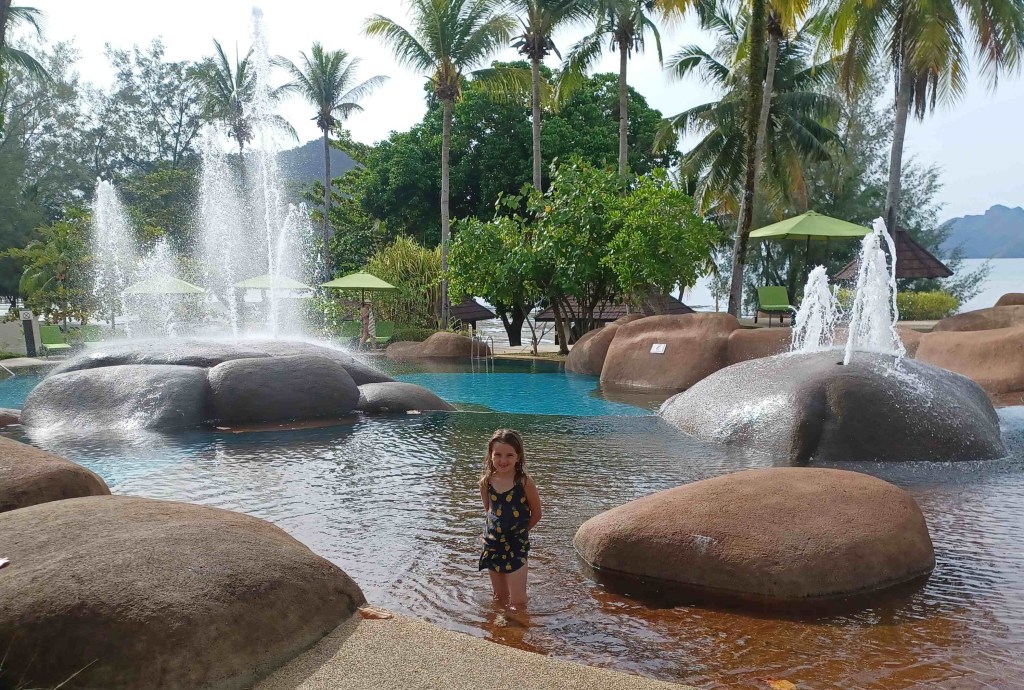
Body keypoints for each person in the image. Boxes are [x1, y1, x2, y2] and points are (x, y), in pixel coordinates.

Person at [478, 429, 542, 607]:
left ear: (518, 456)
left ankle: (518, 631)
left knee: (519, 601)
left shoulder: (524, 482)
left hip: (516, 546)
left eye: (509, 455)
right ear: (490, 455)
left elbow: (537, 514)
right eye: (497, 454)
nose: (503, 460)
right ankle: (501, 631)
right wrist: (488, 534)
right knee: (499, 597)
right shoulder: (486, 482)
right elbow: (489, 511)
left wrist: (519, 533)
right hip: (493, 544)